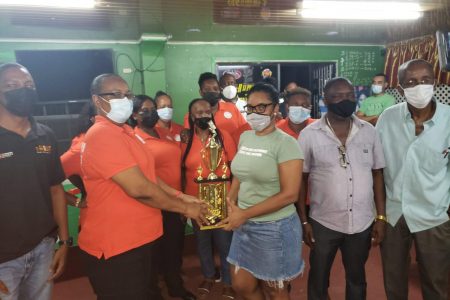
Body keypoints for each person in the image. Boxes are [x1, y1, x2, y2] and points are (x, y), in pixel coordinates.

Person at [79, 74, 208, 300]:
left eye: (127, 94)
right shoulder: (102, 134)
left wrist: (182, 197)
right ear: (97, 100)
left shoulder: (125, 133)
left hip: (140, 238)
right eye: (116, 94)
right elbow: (139, 188)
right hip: (117, 246)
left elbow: (148, 177)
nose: (125, 99)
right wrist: (187, 209)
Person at [298, 77, 387, 300]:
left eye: (349, 96)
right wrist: (304, 221)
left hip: (362, 222)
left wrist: (381, 217)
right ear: (326, 100)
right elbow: (301, 179)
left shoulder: (369, 131)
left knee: (357, 278)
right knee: (318, 278)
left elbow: (377, 173)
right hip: (323, 222)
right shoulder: (309, 135)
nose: (345, 100)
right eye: (337, 96)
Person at [221, 83, 304, 300]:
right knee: (242, 285)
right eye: (249, 108)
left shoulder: (287, 144)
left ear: (275, 108)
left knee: (274, 290)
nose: (254, 113)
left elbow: (290, 195)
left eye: (261, 107)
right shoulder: (246, 137)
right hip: (245, 225)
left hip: (274, 228)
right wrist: (230, 201)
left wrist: (244, 214)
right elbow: (240, 174)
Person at [376, 59, 450, 300]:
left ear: (435, 82)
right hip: (394, 214)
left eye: (425, 80)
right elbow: (377, 167)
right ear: (400, 87)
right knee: (394, 282)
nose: (419, 87)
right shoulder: (388, 118)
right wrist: (379, 214)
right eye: (411, 82)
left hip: (434, 214)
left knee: (436, 282)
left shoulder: (449, 119)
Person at [0, 63, 70, 300]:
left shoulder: (45, 135)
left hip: (43, 247)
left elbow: (56, 190)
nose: (23, 90)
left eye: (28, 84)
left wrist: (64, 241)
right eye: (12, 85)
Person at [131, 94, 196, 300]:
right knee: (153, 254)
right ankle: (155, 292)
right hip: (153, 204)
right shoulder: (134, 139)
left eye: (153, 109)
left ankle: (175, 287)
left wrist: (181, 198)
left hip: (174, 202)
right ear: (134, 115)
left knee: (174, 249)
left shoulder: (163, 133)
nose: (151, 113)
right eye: (145, 111)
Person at [181, 98, 237, 299]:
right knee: (202, 242)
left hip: (223, 199)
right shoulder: (185, 140)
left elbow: (235, 170)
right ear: (191, 116)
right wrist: (183, 204)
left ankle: (229, 282)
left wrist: (231, 198)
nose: (204, 114)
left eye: (207, 111)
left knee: (225, 243)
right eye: (198, 112)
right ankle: (208, 275)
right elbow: (180, 170)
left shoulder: (224, 137)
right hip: (196, 202)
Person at [183, 72, 250, 144]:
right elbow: (188, 138)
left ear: (219, 90)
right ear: (201, 92)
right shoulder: (192, 115)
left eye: (215, 89)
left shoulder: (232, 108)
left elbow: (245, 129)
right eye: (207, 89)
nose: (212, 91)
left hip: (234, 152)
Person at [60, 102, 96, 209]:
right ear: (92, 119)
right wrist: (78, 203)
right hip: (98, 218)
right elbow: (47, 183)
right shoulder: (81, 149)